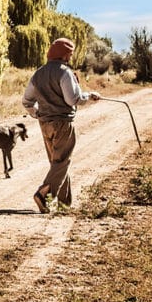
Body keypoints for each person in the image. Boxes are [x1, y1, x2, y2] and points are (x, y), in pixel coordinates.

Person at [21, 37, 101, 213]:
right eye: (69, 54)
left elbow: (27, 101)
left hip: (45, 124)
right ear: (64, 55)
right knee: (62, 162)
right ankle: (43, 194)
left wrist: (38, 113)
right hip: (63, 123)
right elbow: (73, 99)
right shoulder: (65, 72)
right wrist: (90, 95)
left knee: (57, 163)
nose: (70, 57)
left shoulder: (38, 73)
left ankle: (64, 204)